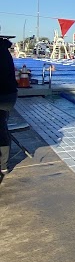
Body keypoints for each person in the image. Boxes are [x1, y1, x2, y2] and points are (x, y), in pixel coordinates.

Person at [1, 37, 18, 175]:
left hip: (4, 95)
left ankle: (3, 164)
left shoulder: (1, 51)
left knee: (1, 128)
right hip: (8, 94)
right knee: (1, 126)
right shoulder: (4, 49)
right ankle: (3, 164)